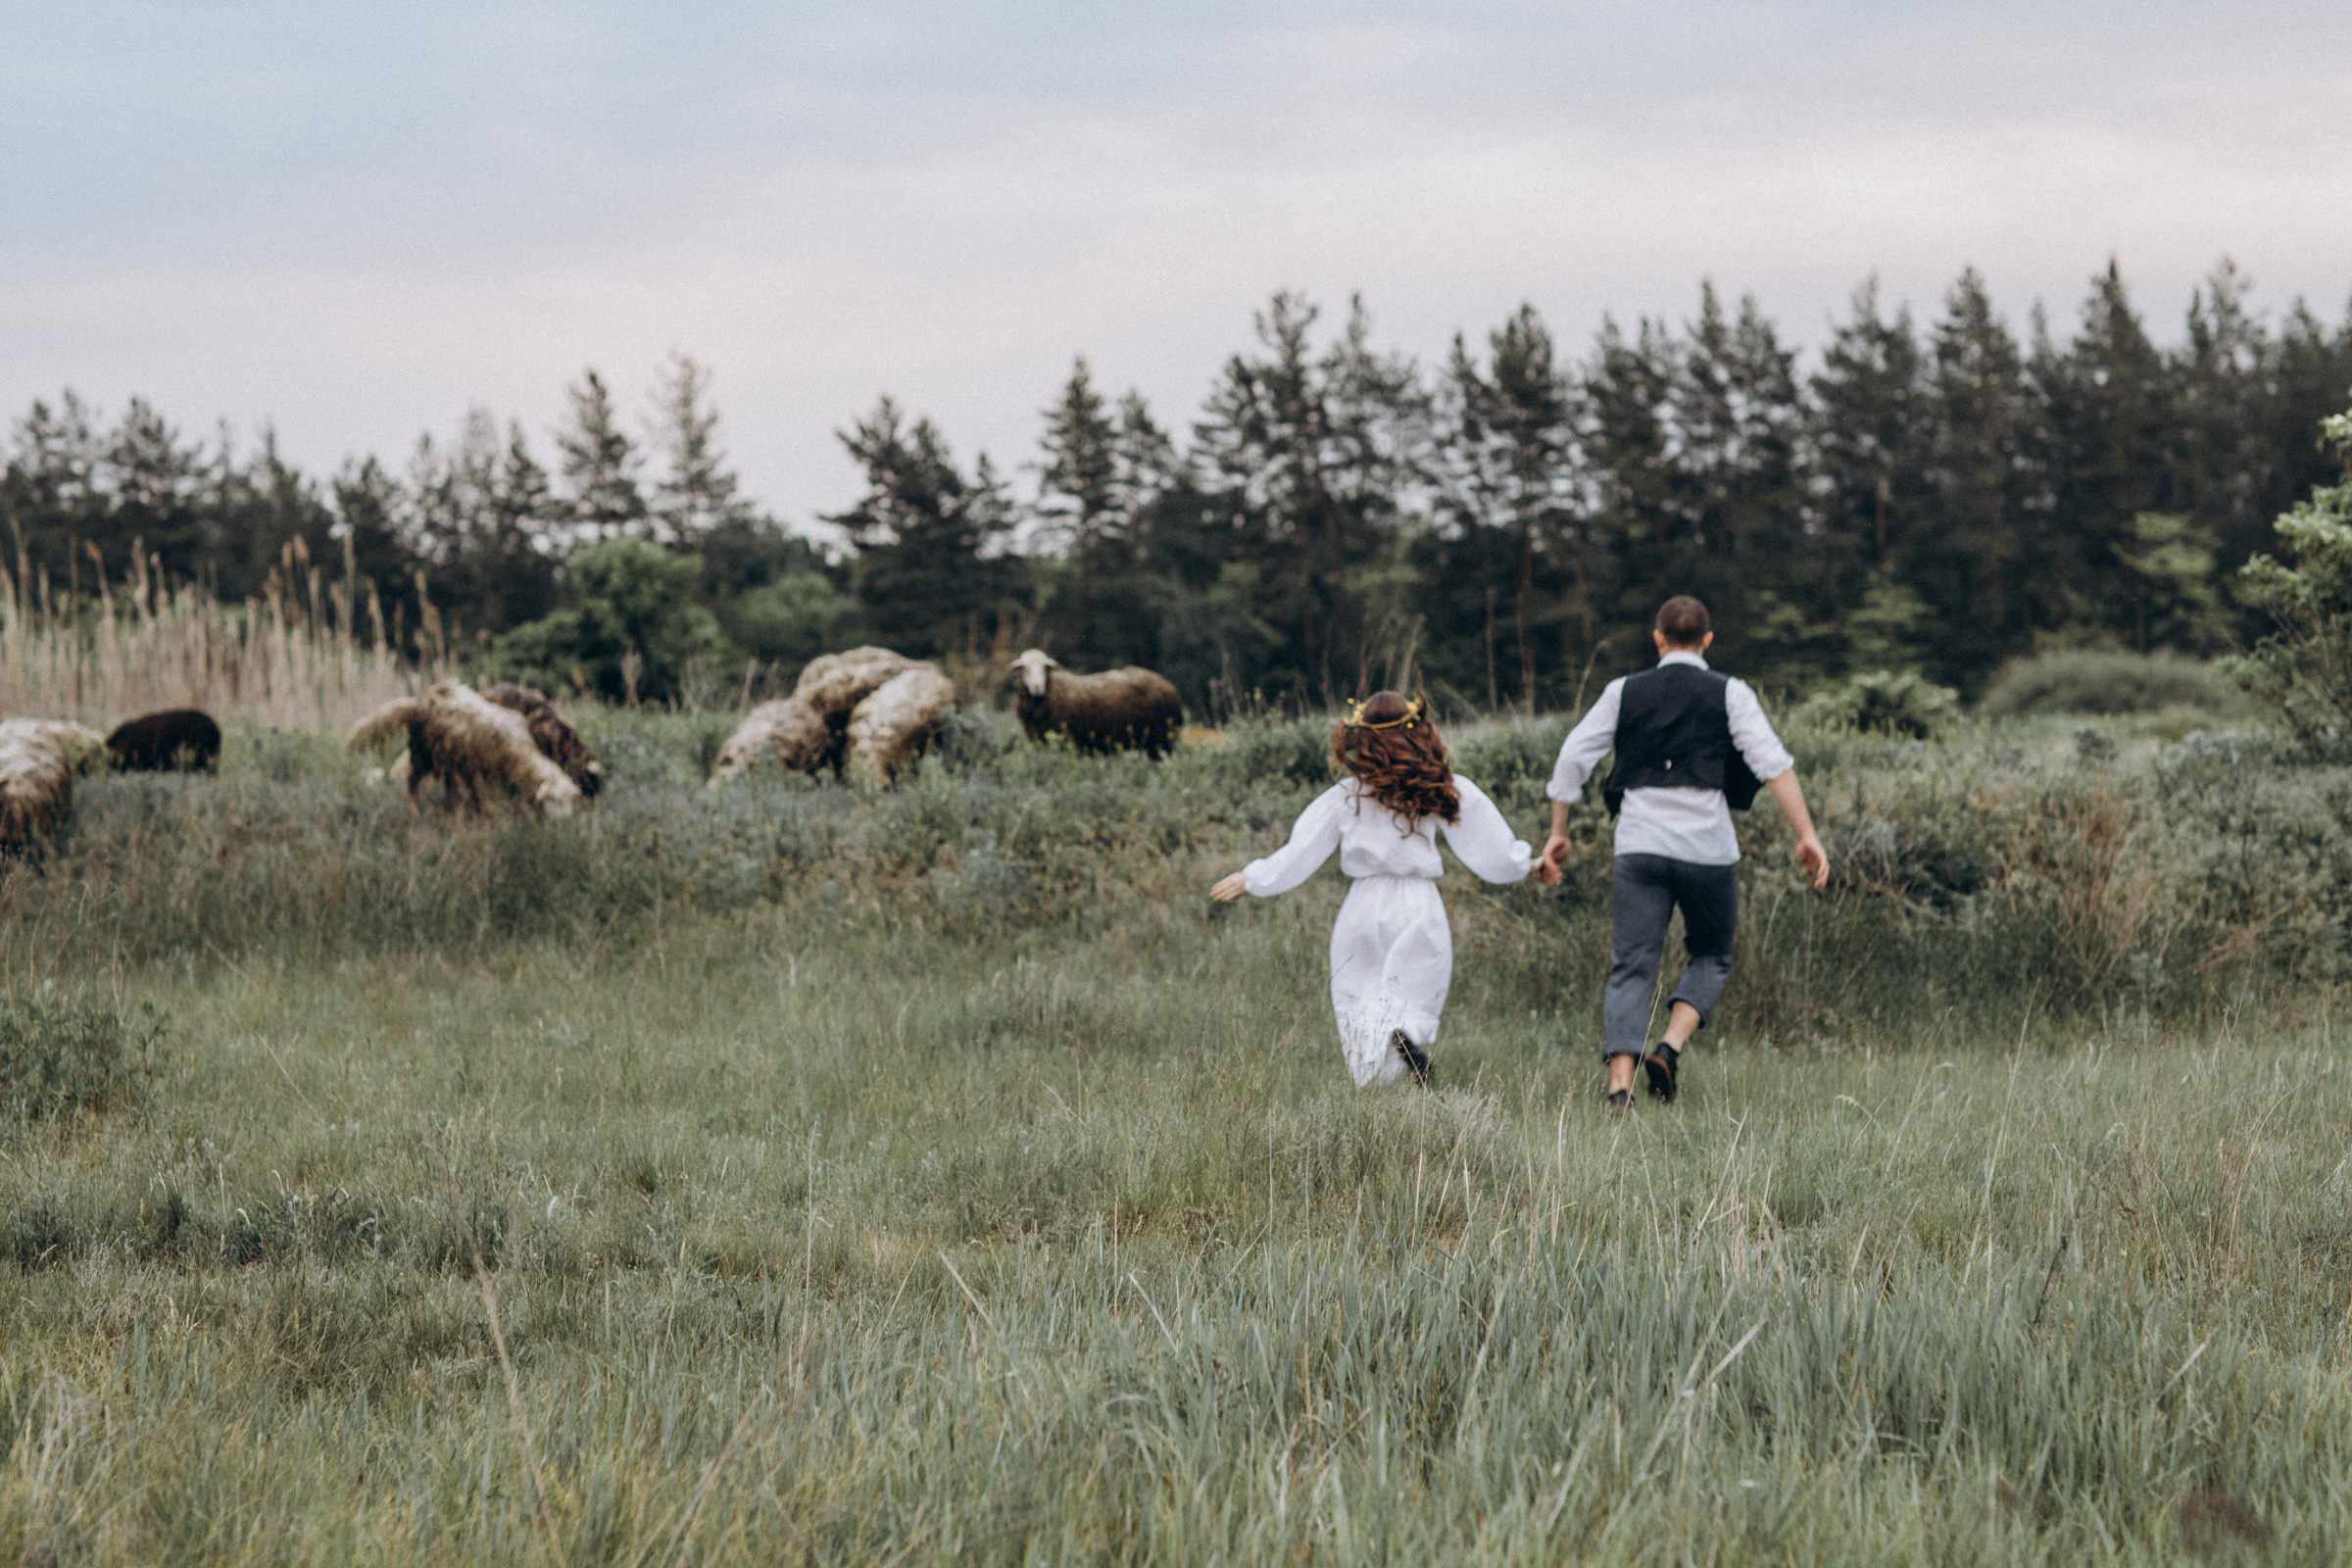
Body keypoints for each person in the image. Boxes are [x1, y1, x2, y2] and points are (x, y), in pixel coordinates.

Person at [1539, 596, 1828, 1111]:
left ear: (1658, 638)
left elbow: (1572, 756)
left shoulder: (1623, 691)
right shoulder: (1730, 693)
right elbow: (1773, 764)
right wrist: (1806, 834)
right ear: (1708, 641)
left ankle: (1620, 1088)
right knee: (1713, 955)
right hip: (1707, 850)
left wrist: (1558, 830)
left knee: (1632, 964)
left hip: (1640, 847)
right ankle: (1669, 1048)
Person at [1211, 690, 1537, 1087]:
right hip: (1418, 903)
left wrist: (1253, 877)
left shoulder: (1347, 796)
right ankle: (1405, 1039)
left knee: (1358, 995)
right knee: (1416, 989)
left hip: (1362, 907)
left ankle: (1387, 1064)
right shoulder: (1439, 787)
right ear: (1418, 732)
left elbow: (1301, 850)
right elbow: (1491, 847)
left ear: (1360, 736)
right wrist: (1527, 865)